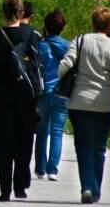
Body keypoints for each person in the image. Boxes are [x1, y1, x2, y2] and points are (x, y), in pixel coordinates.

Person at [59, 6, 110, 204]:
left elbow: (64, 66)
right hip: (106, 104)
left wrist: (63, 80)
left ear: (93, 22)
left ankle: (87, 186)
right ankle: (95, 190)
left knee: (83, 146)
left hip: (79, 102)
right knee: (99, 148)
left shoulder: (80, 41)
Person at [0, 0, 41, 201]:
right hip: (25, 96)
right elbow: (36, 65)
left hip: (1, 96)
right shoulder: (31, 34)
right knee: (25, 142)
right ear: (22, 13)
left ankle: (5, 190)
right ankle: (20, 187)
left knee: (5, 143)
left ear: (4, 12)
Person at [34, 9, 70, 181]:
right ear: (62, 27)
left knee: (41, 132)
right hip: (62, 94)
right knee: (57, 132)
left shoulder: (39, 46)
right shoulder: (68, 46)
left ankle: (40, 170)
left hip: (42, 94)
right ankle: (52, 170)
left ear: (45, 27)